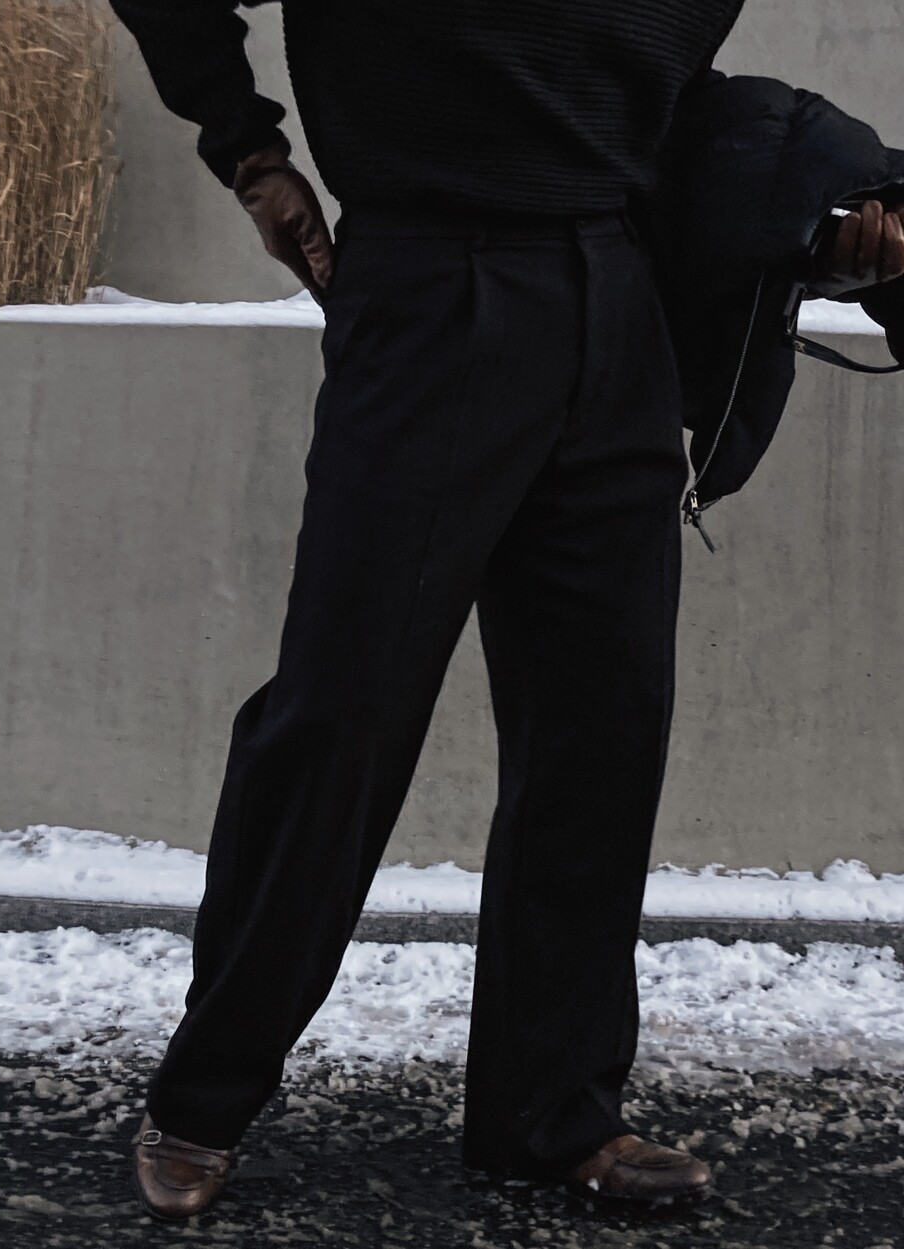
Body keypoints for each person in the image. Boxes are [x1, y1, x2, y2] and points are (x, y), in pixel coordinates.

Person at [107, 0, 904, 1222]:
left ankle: (550, 1115)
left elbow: (665, 103)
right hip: (429, 287)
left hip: (619, 299)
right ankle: (203, 1094)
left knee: (602, 725)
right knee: (341, 712)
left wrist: (821, 215)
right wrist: (249, 151)